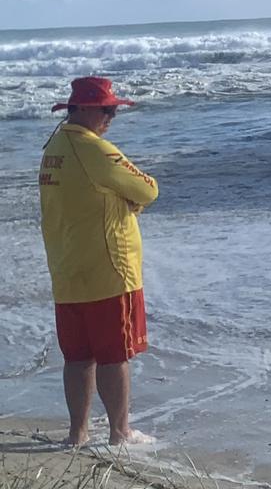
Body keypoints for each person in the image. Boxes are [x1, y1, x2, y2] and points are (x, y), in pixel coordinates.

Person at [39, 76, 159, 446]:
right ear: (83, 110)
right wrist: (130, 201)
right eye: (106, 110)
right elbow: (148, 189)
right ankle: (120, 432)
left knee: (77, 357)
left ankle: (77, 434)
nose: (111, 117)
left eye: (113, 110)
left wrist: (120, 199)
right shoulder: (95, 150)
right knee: (113, 357)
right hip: (108, 270)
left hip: (66, 269)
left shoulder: (53, 148)